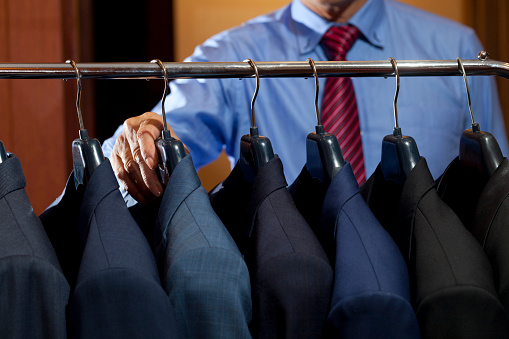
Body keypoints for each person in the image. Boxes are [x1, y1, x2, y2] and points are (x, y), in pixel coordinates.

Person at [102, 0, 509, 205]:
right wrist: (146, 137)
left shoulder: (456, 49)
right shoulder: (228, 55)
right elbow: (169, 133)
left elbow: (499, 192)